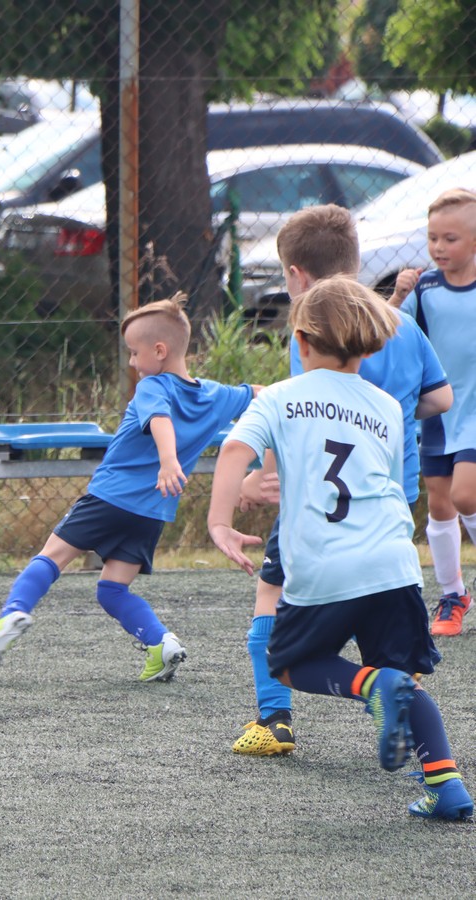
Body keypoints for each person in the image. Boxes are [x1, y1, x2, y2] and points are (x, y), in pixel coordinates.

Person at [209, 276, 471, 821]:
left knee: (292, 666)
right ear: (373, 344)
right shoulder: (385, 405)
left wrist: (221, 519)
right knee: (399, 677)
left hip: (325, 565)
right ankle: (446, 788)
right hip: (396, 561)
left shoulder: (281, 395)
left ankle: (370, 684)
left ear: (300, 342)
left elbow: (236, 448)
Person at [231, 205, 451, 758]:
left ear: (298, 277)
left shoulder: (310, 325)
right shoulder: (399, 323)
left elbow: (296, 417)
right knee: (389, 627)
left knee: (271, 592)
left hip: (322, 501)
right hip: (389, 497)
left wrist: (265, 474)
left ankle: (273, 719)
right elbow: (441, 398)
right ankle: (423, 744)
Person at [0, 295, 257, 681]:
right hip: (152, 513)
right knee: (112, 590)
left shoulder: (152, 386)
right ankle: (162, 643)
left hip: (110, 496)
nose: (131, 362)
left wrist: (168, 460)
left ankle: (13, 614)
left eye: (133, 353)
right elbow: (261, 394)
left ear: (159, 351)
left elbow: (160, 420)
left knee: (52, 557)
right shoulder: (216, 395)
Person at [389, 187, 476, 637]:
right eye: (433, 238)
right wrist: (398, 293)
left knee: (466, 495)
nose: (439, 248)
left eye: (451, 239)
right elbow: (383, 332)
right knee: (440, 503)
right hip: (441, 412)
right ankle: (453, 595)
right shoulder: (424, 288)